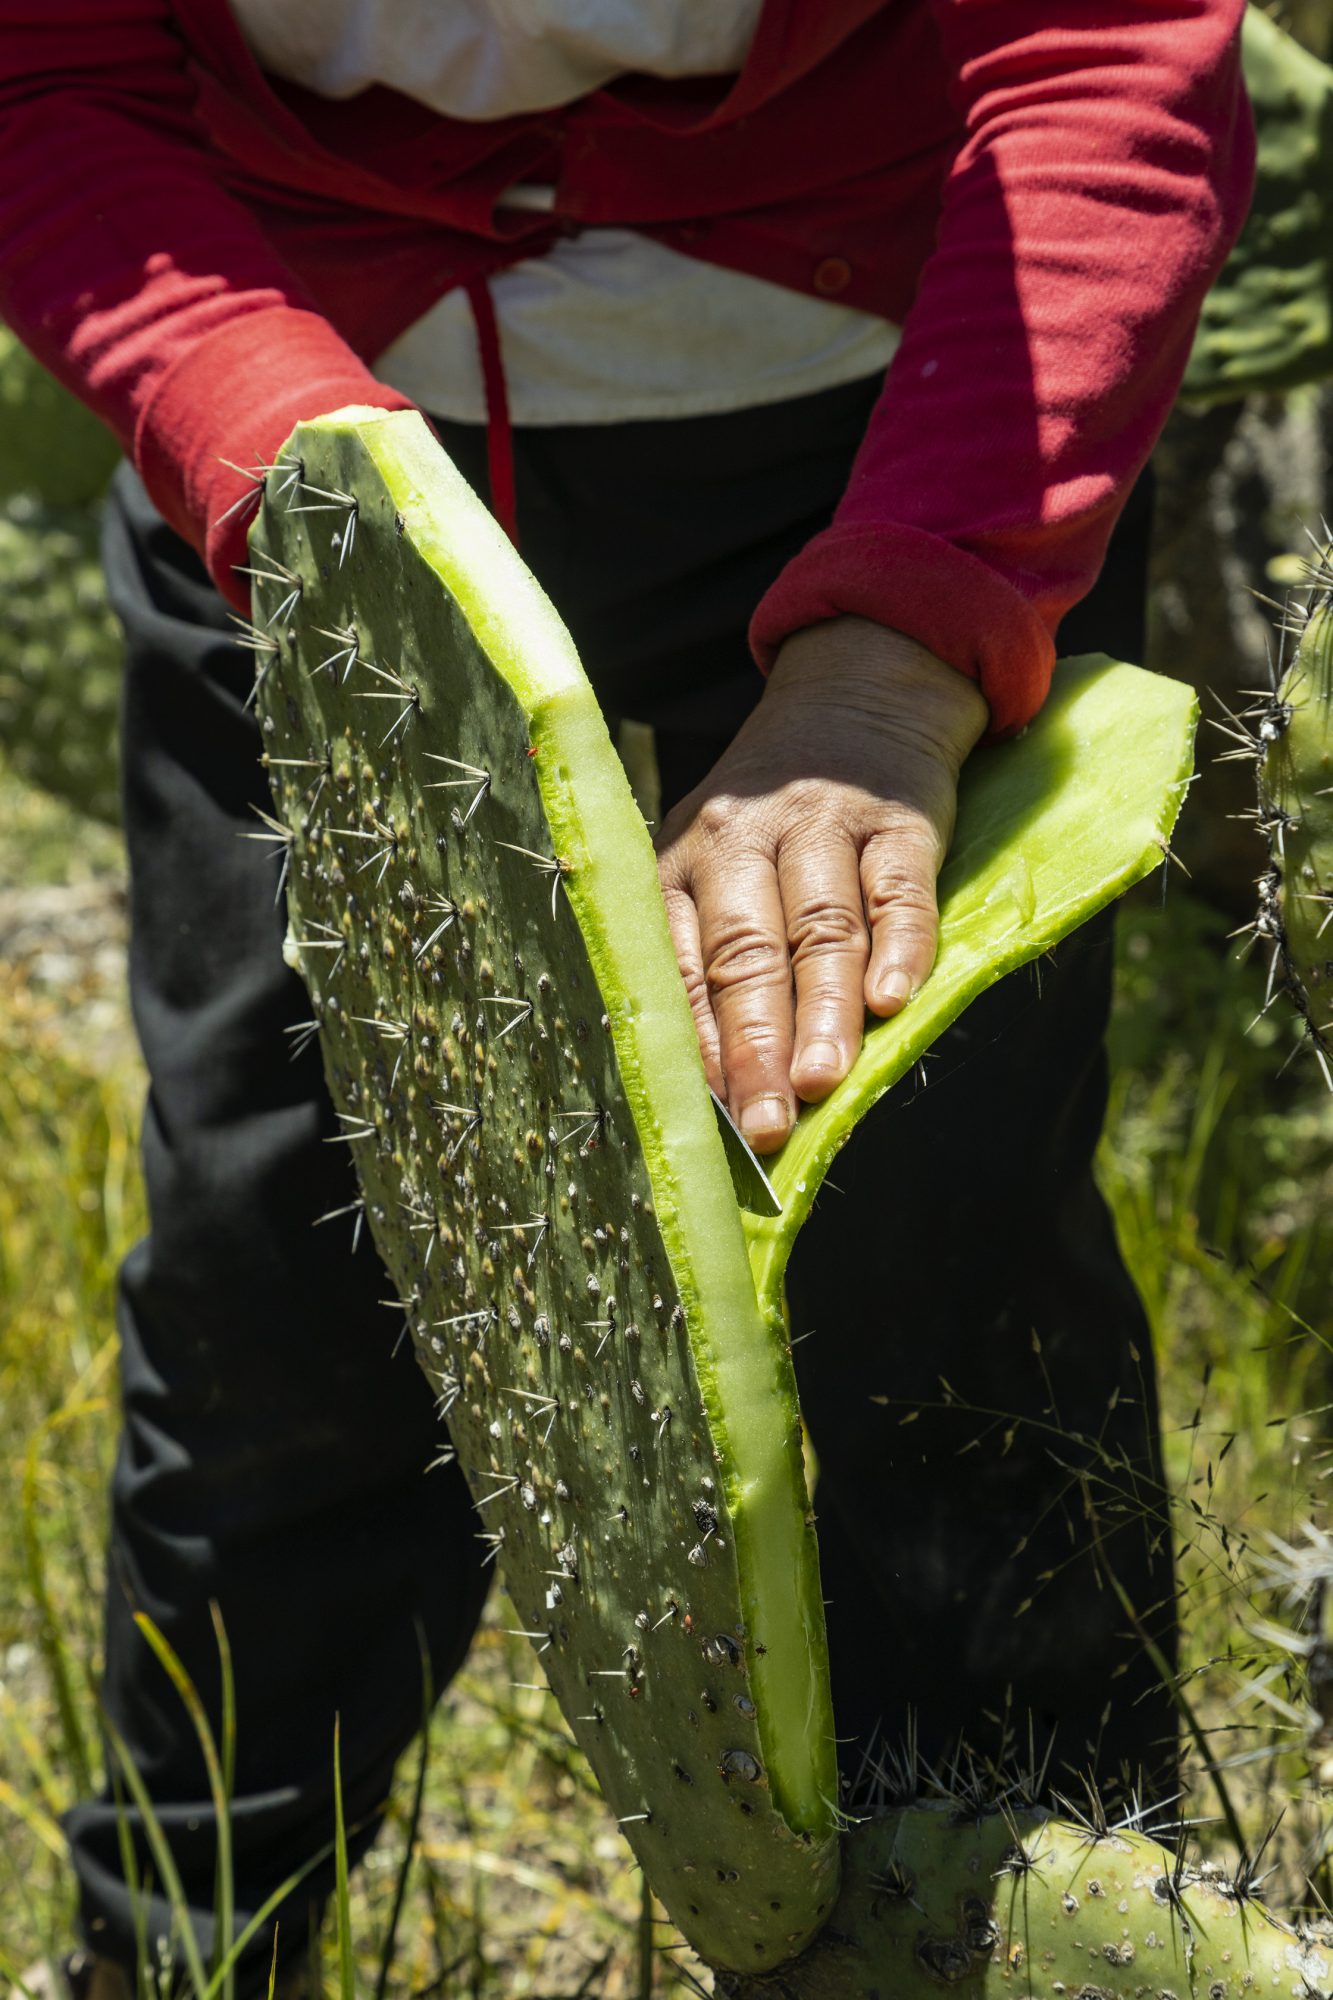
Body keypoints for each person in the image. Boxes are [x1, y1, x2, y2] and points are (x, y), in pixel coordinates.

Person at [0, 4, 1253, 1994]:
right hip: (295, 452)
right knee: (277, 1297)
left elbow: (1099, 56)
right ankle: (175, 1957)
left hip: (906, 410)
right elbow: (47, 71)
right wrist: (297, 470)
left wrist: (901, 639)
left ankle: (1037, 1940)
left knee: (943, 1265)